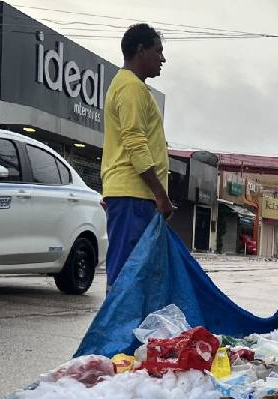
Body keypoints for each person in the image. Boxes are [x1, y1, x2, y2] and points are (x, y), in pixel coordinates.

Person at [101, 23, 171, 288]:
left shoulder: (132, 87)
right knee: (125, 275)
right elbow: (135, 143)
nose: (162, 59)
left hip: (135, 197)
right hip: (134, 196)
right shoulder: (131, 88)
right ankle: (113, 329)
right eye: (158, 51)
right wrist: (160, 195)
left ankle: (124, 328)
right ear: (141, 50)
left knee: (135, 274)